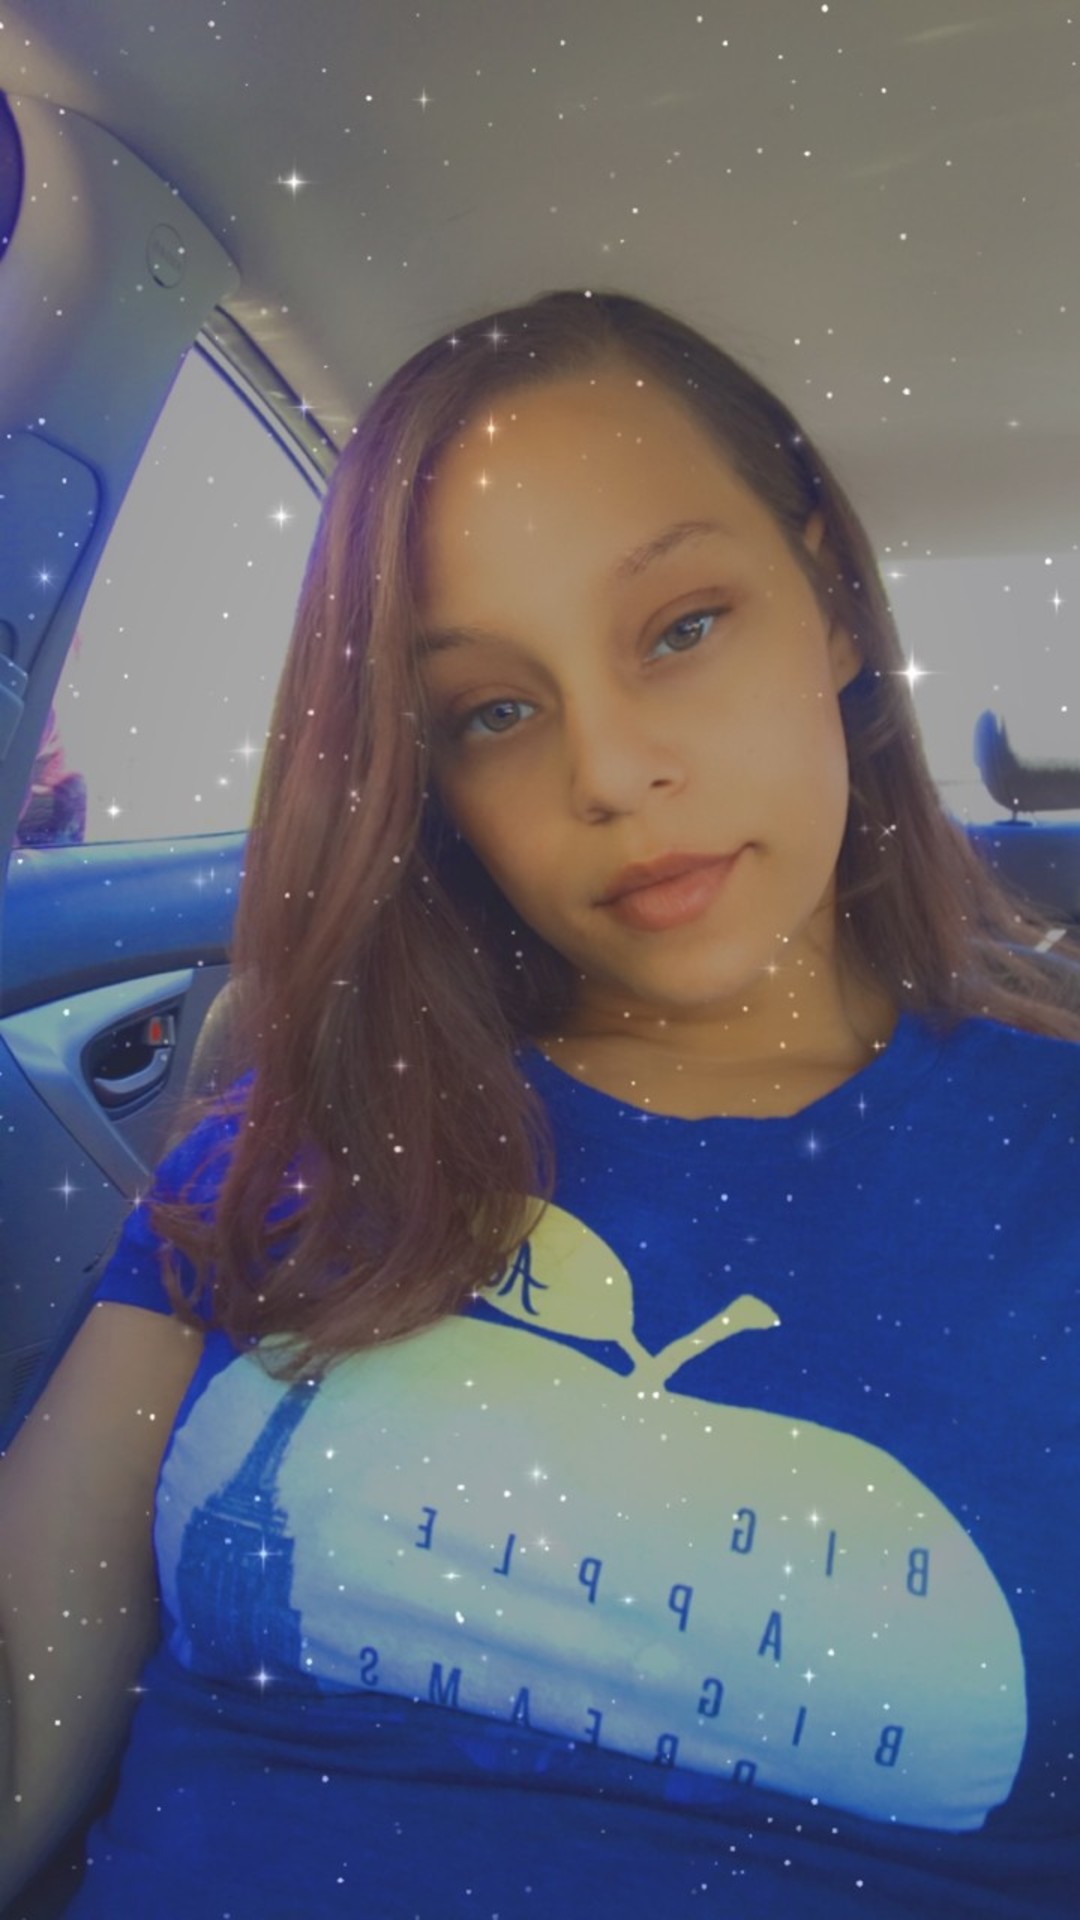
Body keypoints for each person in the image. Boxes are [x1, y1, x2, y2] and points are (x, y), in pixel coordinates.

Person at [1, 290, 1078, 1919]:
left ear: (833, 606)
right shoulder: (306, 1131)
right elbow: (30, 1676)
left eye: (682, 627)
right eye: (494, 711)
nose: (610, 771)